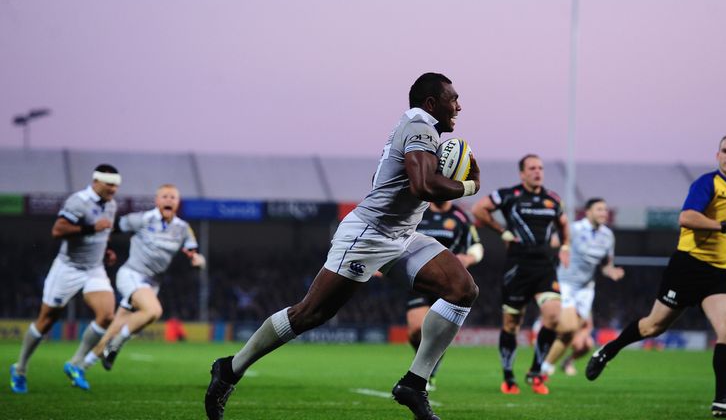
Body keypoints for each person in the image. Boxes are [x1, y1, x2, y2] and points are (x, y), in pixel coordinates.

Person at [204, 72, 481, 420]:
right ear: (431, 103)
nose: (458, 105)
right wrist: (470, 187)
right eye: (452, 98)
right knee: (311, 314)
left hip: (401, 235)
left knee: (462, 289)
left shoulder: (424, 130)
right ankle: (230, 368)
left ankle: (414, 383)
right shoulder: (420, 127)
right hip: (368, 233)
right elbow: (424, 186)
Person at [585, 134, 726, 418]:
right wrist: (723, 225)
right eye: (725, 150)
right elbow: (686, 218)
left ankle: (722, 401)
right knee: (654, 326)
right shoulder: (707, 183)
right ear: (717, 156)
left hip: (721, 274)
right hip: (688, 267)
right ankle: (608, 350)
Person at [9, 164, 121, 393]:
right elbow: (58, 230)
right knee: (47, 320)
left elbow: (103, 232)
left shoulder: (111, 205)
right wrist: (90, 228)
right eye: (109, 184)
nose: (113, 189)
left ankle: (75, 363)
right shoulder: (77, 201)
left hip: (93, 269)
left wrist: (106, 249)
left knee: (107, 315)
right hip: (68, 268)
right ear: (96, 182)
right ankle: (19, 369)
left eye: (116, 185)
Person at [79, 184, 205, 373]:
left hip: (152, 284)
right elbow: (111, 228)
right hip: (132, 274)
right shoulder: (143, 219)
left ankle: (82, 366)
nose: (169, 200)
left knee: (117, 326)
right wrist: (104, 248)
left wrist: (199, 261)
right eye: (165, 196)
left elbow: (194, 254)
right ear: (157, 200)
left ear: (178, 203)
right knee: (154, 310)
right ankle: (116, 345)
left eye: (173, 197)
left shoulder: (183, 228)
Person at [472, 154, 570, 395]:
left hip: (545, 267)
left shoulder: (553, 199)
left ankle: (536, 372)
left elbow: (564, 224)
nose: (538, 172)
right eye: (532, 168)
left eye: (540, 168)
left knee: (554, 317)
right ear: (522, 173)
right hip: (518, 268)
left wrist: (565, 246)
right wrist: (501, 231)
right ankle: (508, 377)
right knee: (512, 324)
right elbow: (478, 209)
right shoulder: (509, 195)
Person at [539, 198, 624, 377]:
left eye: (605, 210)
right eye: (599, 209)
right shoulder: (574, 229)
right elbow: (550, 243)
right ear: (588, 212)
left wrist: (612, 272)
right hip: (566, 283)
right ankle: (544, 346)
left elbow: (606, 265)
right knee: (569, 328)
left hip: (586, 290)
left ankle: (544, 367)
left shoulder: (608, 236)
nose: (604, 213)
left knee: (576, 339)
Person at [409, 201, 484, 391]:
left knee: (435, 332)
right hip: (420, 280)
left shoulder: (461, 217)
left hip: (448, 284)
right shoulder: (418, 212)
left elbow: (476, 245)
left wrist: (470, 257)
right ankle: (426, 363)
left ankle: (426, 372)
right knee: (416, 330)